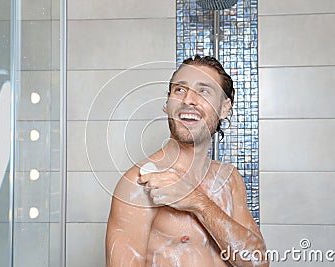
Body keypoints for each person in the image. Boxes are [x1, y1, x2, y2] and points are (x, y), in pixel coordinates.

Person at [106, 55, 268, 267]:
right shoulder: (140, 183)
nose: (188, 99)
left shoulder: (229, 179)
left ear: (224, 108)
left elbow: (258, 263)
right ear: (167, 104)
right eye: (179, 90)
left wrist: (199, 203)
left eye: (203, 91)